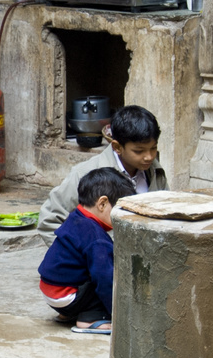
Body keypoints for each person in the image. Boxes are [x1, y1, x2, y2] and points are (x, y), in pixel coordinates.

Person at [38, 105, 167, 233]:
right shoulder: (84, 174)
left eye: (153, 148)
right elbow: (49, 220)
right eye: (139, 151)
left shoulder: (155, 171)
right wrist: (77, 252)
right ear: (117, 147)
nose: (149, 157)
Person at [38, 167, 138, 334]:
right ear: (102, 203)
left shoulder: (76, 217)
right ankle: (90, 319)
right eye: (121, 210)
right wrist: (119, 314)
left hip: (51, 291)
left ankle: (72, 311)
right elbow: (105, 280)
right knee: (111, 277)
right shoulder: (96, 238)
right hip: (65, 296)